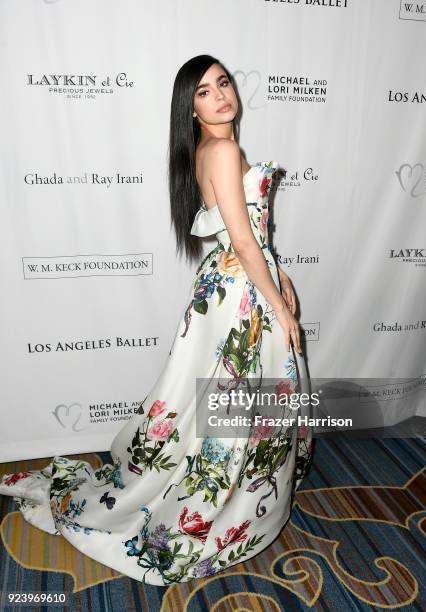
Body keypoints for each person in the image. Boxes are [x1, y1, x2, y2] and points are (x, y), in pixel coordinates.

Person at [0, 54, 312, 585]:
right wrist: (279, 306)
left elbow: (250, 236)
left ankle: (240, 500)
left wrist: (283, 279)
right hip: (241, 296)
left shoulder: (214, 150)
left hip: (238, 285)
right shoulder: (224, 149)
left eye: (223, 84)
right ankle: (224, 509)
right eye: (205, 92)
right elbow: (241, 239)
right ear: (190, 110)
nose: (220, 95)